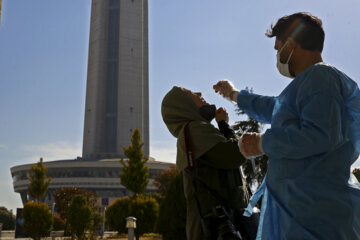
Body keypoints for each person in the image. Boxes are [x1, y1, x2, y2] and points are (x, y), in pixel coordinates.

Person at [214, 12, 360, 240]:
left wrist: (263, 143)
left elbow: (319, 135)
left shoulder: (320, 78)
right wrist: (233, 95)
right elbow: (277, 108)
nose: (277, 57)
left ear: (290, 45)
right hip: (306, 212)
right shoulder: (311, 83)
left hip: (316, 216)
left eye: (277, 49)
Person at [161, 86, 259, 240]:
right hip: (219, 230)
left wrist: (222, 126)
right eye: (192, 92)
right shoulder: (194, 129)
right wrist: (225, 126)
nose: (199, 93)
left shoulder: (201, 131)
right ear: (183, 104)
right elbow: (234, 155)